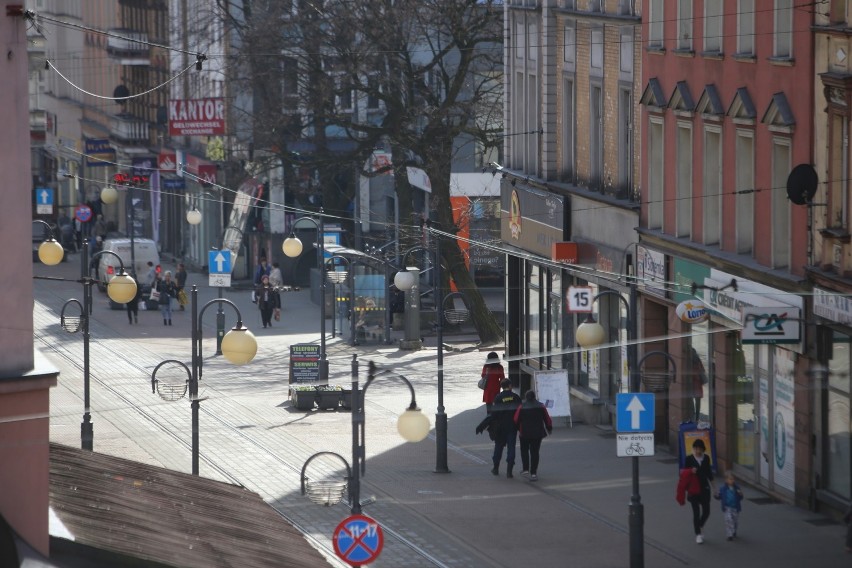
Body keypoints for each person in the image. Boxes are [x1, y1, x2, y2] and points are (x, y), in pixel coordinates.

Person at [475, 379, 522, 478]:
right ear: (510, 386)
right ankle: (509, 471)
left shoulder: (498, 398)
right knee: (511, 448)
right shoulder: (516, 397)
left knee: (498, 447)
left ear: (501, 387)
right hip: (512, 427)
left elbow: (493, 414)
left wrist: (482, 425)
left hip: (500, 427)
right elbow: (520, 412)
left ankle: (496, 468)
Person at [513, 390, 553, 481]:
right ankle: (534, 473)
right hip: (537, 433)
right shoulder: (541, 406)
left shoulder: (522, 406)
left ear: (526, 397)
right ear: (535, 397)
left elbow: (516, 419)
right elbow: (547, 418)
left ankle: (525, 469)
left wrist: (518, 429)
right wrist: (549, 428)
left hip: (524, 433)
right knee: (535, 452)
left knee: (524, 451)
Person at [684, 438, 714, 544]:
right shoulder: (689, 459)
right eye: (696, 449)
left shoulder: (706, 458)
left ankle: (700, 525)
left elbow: (709, 474)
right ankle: (698, 534)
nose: (698, 451)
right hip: (693, 489)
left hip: (704, 489)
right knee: (696, 513)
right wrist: (690, 471)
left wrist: (714, 488)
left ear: (703, 449)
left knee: (707, 511)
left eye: (700, 449)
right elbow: (684, 473)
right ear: (693, 449)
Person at [715, 471, 744, 541]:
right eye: (730, 479)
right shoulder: (723, 488)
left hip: (735, 507)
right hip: (727, 507)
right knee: (728, 520)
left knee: (734, 521)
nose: (732, 481)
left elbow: (740, 498)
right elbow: (719, 496)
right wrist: (716, 495)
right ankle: (729, 535)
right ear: (726, 480)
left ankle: (734, 531)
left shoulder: (737, 488)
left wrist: (741, 494)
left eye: (733, 479)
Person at [688, 347, 708, 422]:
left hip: (693, 384)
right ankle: (696, 417)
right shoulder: (697, 360)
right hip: (697, 384)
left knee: (691, 401)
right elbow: (702, 370)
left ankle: (693, 416)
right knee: (697, 401)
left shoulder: (689, 362)